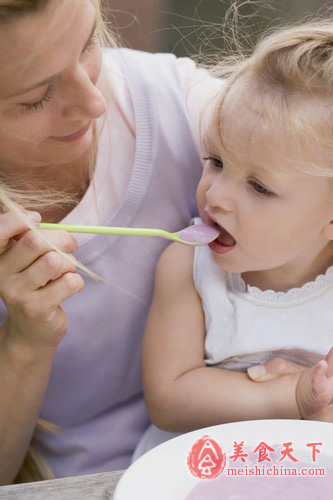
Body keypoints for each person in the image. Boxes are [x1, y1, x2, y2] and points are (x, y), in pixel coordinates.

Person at [0, 0, 231, 484]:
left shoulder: (181, 107)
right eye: (35, 97)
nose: (94, 104)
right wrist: (25, 339)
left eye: (88, 42)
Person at [135, 16, 333, 458]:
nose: (216, 197)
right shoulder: (188, 267)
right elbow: (168, 399)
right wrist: (290, 397)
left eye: (260, 187)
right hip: (201, 472)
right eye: (216, 161)